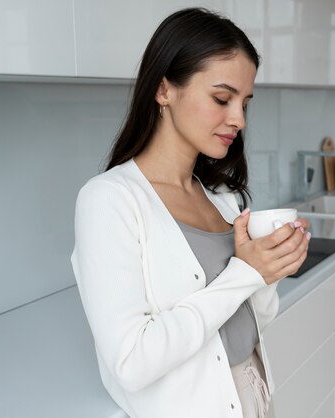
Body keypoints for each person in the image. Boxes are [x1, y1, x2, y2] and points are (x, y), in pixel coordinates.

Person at [71, 8, 310, 418]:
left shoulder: (220, 197)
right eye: (222, 98)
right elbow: (131, 362)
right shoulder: (109, 201)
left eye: (244, 102)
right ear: (164, 90)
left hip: (253, 395)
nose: (238, 119)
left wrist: (269, 273)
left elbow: (252, 324)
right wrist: (246, 273)